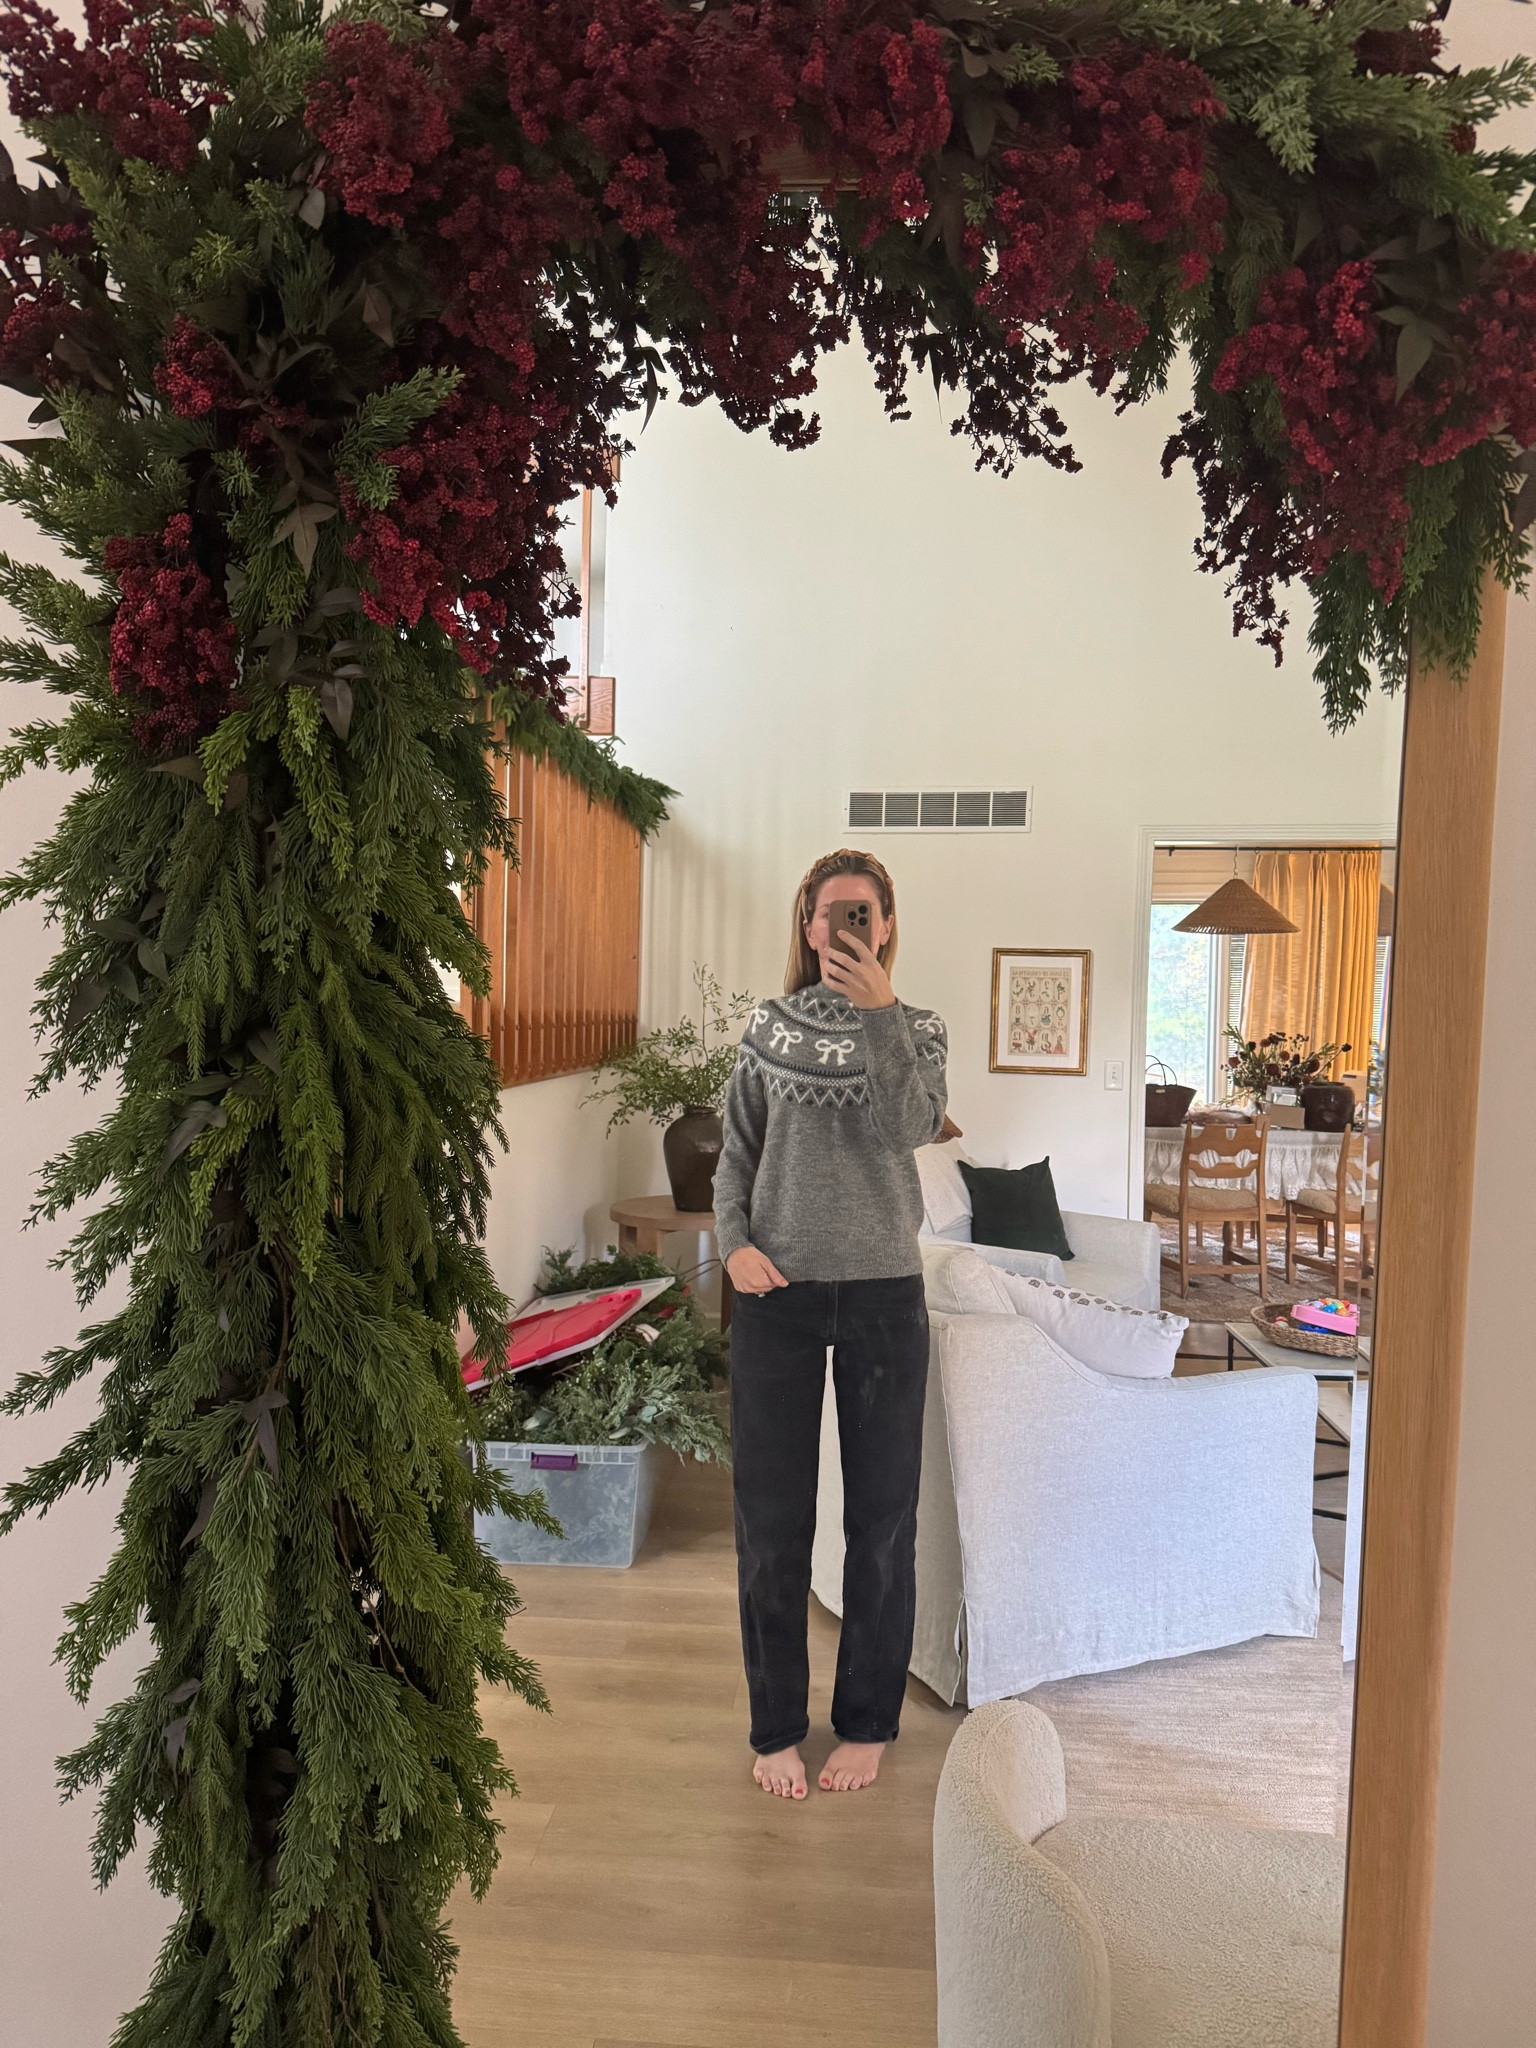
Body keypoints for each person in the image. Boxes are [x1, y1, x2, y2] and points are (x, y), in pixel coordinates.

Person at [713, 849, 948, 1799]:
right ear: (807, 926)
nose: (845, 927)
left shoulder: (919, 1029)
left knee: (884, 1524)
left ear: (885, 925)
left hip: (886, 1296)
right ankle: (775, 1728)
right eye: (828, 912)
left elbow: (914, 1127)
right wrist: (731, 1246)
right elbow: (734, 1155)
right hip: (776, 1295)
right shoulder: (766, 1029)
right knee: (770, 1524)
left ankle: (867, 1722)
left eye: (863, 912)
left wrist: (880, 1012)